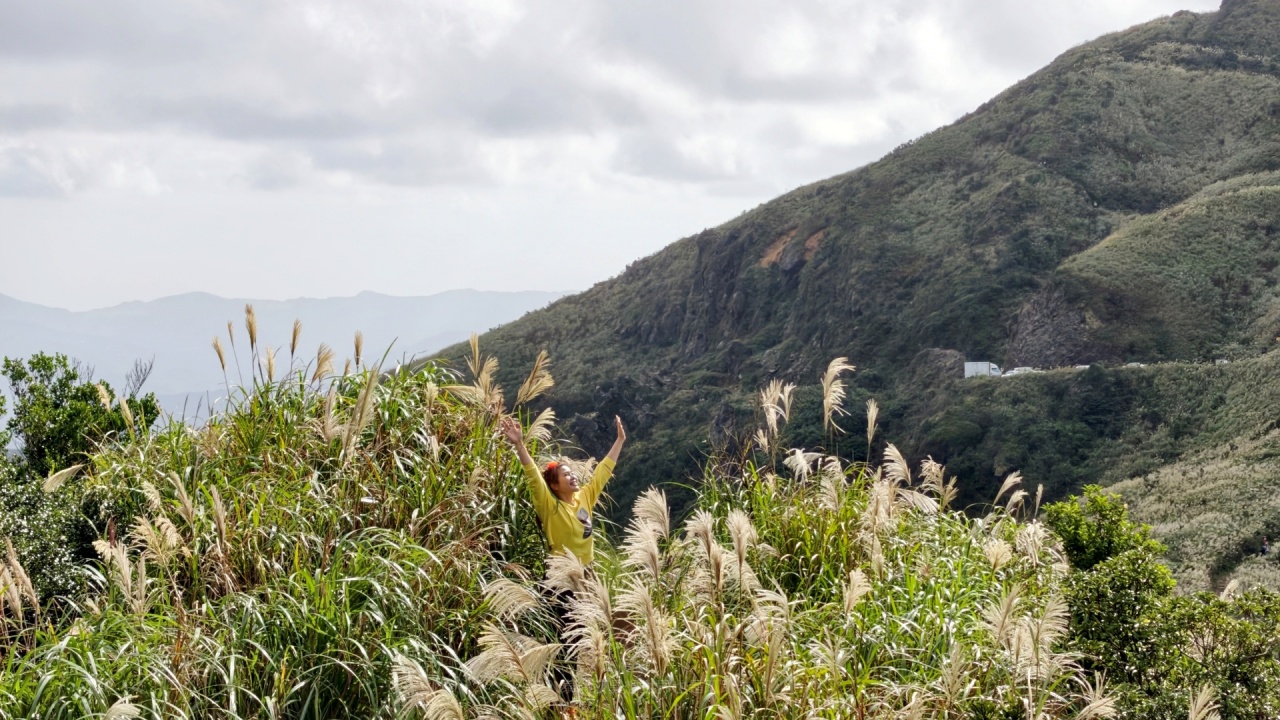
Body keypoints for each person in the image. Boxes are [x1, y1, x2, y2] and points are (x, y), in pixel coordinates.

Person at [498, 413, 626, 711]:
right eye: (565, 475)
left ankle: (573, 701)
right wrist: (519, 445)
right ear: (554, 485)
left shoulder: (583, 499)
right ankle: (561, 704)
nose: (573, 476)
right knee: (567, 644)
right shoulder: (550, 505)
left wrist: (619, 441)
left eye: (572, 473)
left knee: (584, 641)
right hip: (561, 582)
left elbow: (603, 472)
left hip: (587, 578)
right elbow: (532, 475)